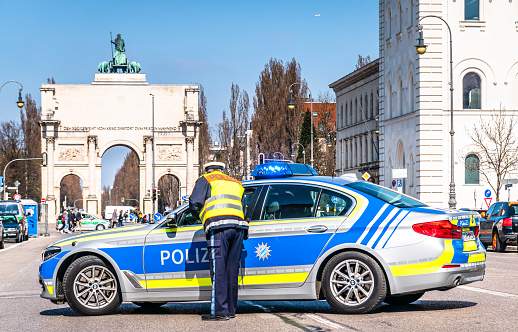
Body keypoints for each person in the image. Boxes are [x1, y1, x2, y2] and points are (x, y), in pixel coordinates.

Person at [189, 162, 247, 321]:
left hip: (218, 226)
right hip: (238, 228)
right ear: (223, 171)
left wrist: (200, 216)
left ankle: (219, 312)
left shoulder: (205, 179)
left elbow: (194, 203)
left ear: (207, 170)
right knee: (231, 270)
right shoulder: (235, 182)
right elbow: (243, 209)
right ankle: (230, 310)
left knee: (218, 269)